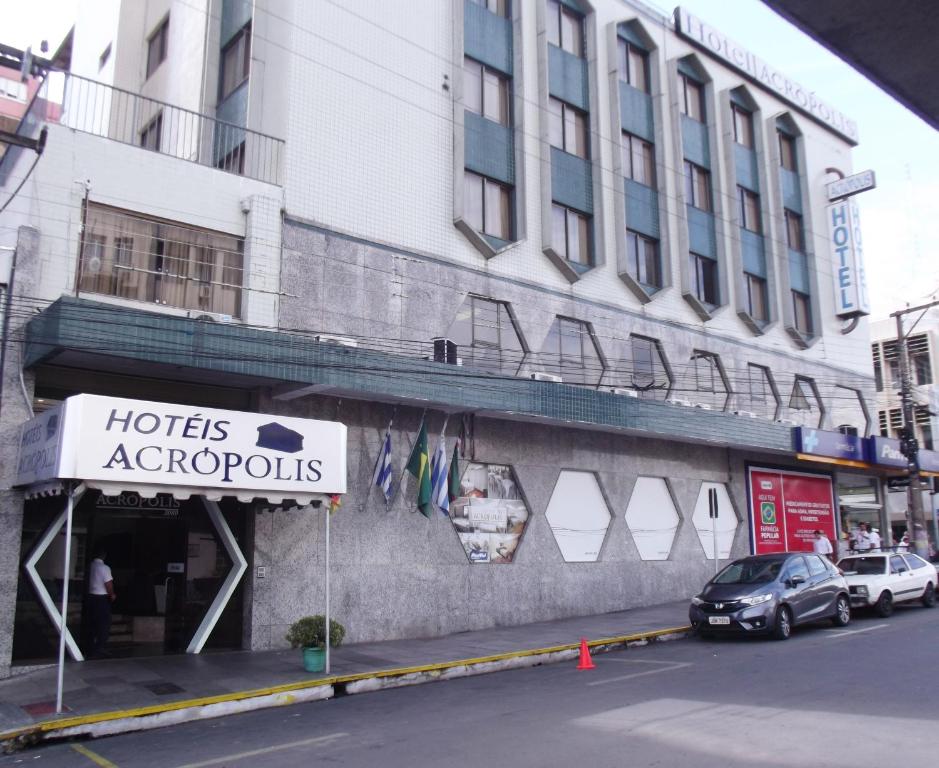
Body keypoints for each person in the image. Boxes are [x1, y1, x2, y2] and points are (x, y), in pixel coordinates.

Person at [86, 548, 116, 658]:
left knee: (92, 622)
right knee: (104, 624)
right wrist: (112, 594)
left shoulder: (90, 566)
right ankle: (98, 648)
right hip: (101, 598)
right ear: (104, 556)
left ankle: (90, 647)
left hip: (90, 597)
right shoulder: (104, 568)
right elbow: (108, 583)